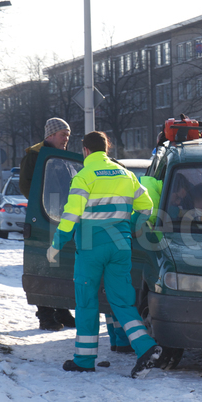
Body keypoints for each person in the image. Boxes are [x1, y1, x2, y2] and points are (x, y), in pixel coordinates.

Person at [47, 130, 165, 378]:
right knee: (122, 301)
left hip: (91, 248)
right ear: (106, 149)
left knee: (87, 302)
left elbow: (71, 216)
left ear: (85, 150)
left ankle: (84, 359)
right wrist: (130, 227)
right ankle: (145, 346)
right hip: (121, 246)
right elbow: (147, 206)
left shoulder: (84, 176)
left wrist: (56, 245)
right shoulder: (128, 174)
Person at [19, 117, 77, 331]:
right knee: (45, 267)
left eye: (68, 136)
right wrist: (43, 205)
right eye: (63, 135)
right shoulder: (35, 157)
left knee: (59, 267)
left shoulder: (62, 157)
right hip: (45, 218)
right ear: (51, 135)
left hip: (61, 219)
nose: (66, 139)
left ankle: (61, 310)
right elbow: (26, 185)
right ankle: (45, 315)